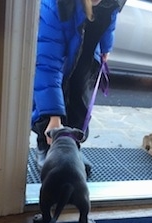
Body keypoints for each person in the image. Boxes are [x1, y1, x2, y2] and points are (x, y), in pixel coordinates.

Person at [32, 0, 126, 175]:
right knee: (52, 98)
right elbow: (47, 65)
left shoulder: (112, 2)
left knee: (79, 99)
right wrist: (54, 118)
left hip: (86, 54)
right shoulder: (56, 5)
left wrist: (106, 46)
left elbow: (110, 19)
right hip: (59, 55)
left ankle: (71, 146)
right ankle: (44, 144)